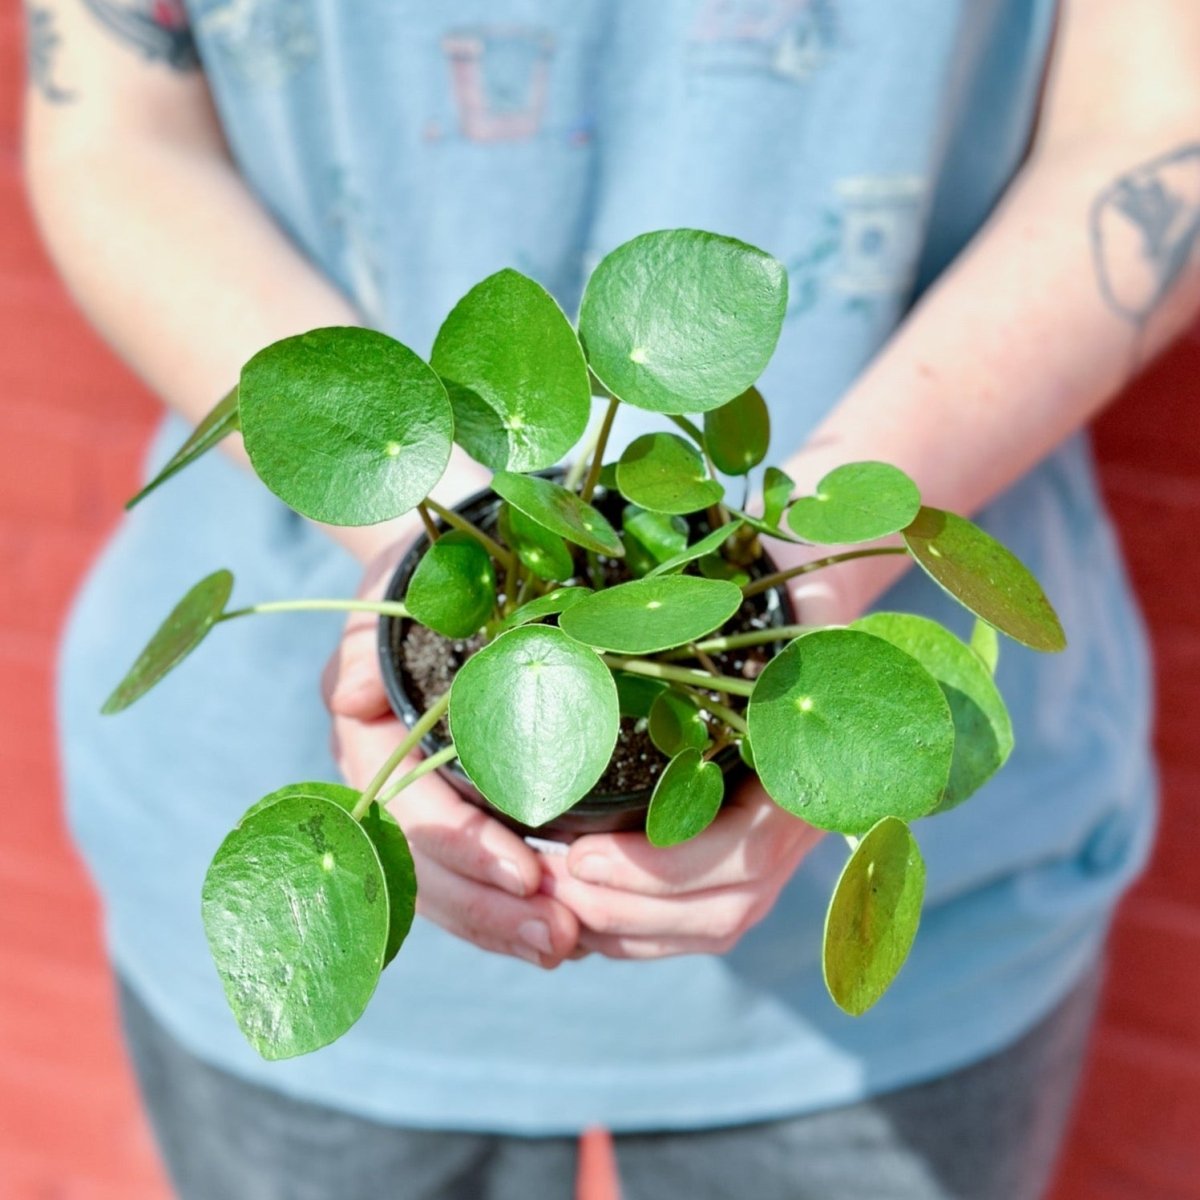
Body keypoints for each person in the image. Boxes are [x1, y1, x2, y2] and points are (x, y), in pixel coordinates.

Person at [24, 1, 1199, 1196]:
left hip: (929, 941)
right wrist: (425, 551)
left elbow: (1159, 127)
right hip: (262, 773)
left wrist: (804, 605)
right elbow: (118, 132)